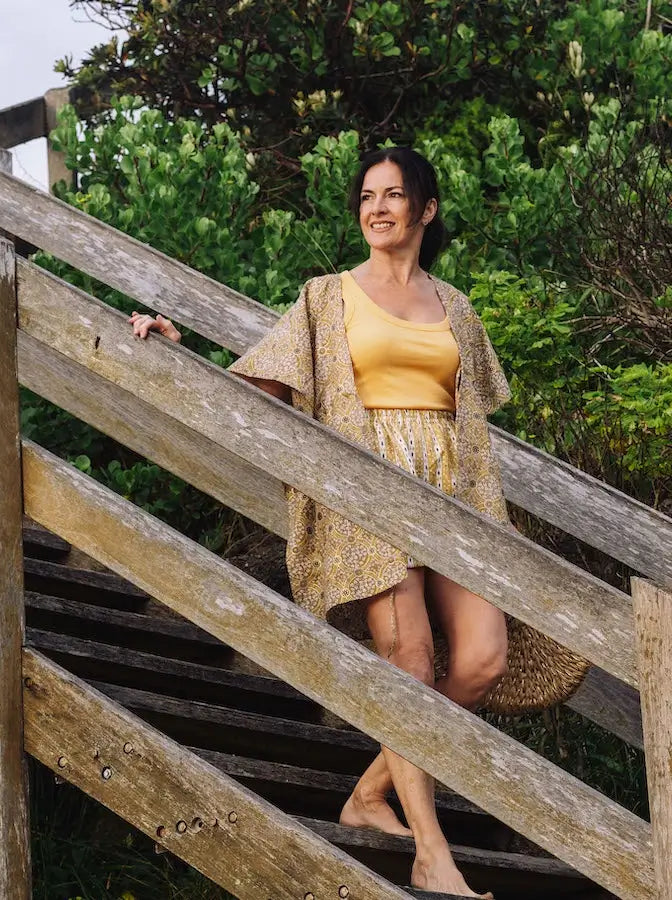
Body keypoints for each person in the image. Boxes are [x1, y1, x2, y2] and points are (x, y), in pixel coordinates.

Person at [130, 147, 513, 898]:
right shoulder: (326, 297)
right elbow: (264, 387)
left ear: (426, 210)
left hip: (452, 497)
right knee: (409, 656)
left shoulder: (457, 307)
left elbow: (474, 419)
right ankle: (433, 853)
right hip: (367, 494)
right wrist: (185, 357)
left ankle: (370, 793)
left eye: (395, 195)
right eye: (367, 195)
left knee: (481, 662)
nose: (377, 208)